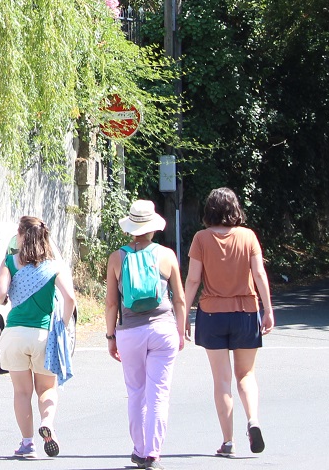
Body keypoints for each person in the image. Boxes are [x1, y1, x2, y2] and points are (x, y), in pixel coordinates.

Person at [183, 187, 274, 457]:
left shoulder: (201, 238)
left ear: (209, 210)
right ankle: (253, 419)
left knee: (221, 381)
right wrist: (268, 309)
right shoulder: (248, 237)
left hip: (212, 315)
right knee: (246, 374)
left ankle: (228, 442)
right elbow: (259, 274)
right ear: (235, 209)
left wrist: (185, 313)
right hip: (246, 311)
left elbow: (193, 279)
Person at [104, 200, 187, 470]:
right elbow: (180, 300)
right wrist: (181, 331)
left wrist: (110, 336)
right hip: (163, 330)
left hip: (130, 332)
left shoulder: (117, 257)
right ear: (153, 228)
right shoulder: (167, 255)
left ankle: (139, 450)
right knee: (158, 394)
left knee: (136, 393)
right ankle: (153, 454)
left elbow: (111, 304)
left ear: (131, 228)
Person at [0, 215, 76, 459]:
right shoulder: (53, 266)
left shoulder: (10, 262)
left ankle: (27, 444)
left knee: (21, 392)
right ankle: (48, 423)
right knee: (47, 389)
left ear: (21, 236)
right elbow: (70, 298)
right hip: (43, 335)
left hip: (15, 334)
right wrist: (62, 322)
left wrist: (7, 296)